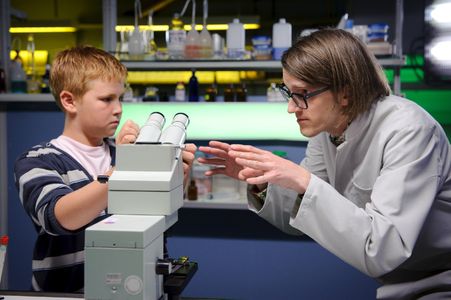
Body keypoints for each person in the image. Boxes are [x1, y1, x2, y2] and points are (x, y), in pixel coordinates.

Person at [198, 28, 451, 299]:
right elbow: (297, 218)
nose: (291, 107)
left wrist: (304, 181)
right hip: (399, 282)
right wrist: (260, 181)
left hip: (441, 280)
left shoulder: (407, 130)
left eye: (302, 94)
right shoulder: (329, 131)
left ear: (345, 93)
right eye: (288, 92)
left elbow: (383, 248)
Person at [13, 46, 196, 293]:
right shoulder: (38, 160)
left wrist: (176, 180)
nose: (119, 108)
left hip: (138, 288)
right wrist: (125, 169)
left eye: (120, 98)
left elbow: (159, 223)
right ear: (69, 100)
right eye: (106, 99)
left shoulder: (125, 156)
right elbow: (59, 217)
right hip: (69, 294)